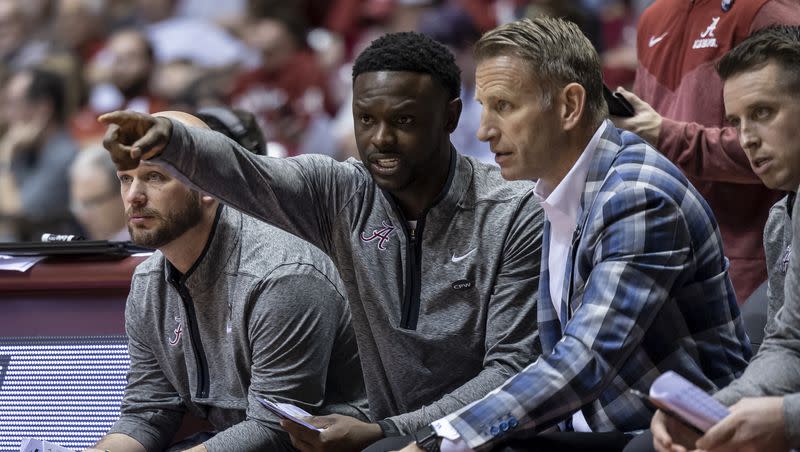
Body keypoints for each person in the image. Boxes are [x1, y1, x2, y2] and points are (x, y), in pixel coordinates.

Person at [98, 31, 544, 452]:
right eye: (365, 119)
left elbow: (511, 373)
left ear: (450, 116)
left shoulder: (513, 212)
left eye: (403, 120)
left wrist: (390, 432)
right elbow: (250, 174)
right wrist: (173, 144)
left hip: (490, 439)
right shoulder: (340, 192)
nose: (381, 139)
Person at [391, 16, 751, 452]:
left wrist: (441, 440)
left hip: (665, 437)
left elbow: (583, 362)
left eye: (503, 106)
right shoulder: (558, 187)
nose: (484, 130)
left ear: (569, 106)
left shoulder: (636, 197)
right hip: (592, 428)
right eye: (483, 106)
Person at [85, 111, 367, 452]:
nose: (134, 196)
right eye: (126, 178)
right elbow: (147, 412)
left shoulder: (282, 274)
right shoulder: (148, 282)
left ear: (207, 186)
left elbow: (275, 429)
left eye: (155, 177)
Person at [643, 24, 800, 452]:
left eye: (763, 113)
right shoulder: (783, 218)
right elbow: (789, 345)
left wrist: (789, 419)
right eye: (735, 121)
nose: (746, 138)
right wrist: (714, 413)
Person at [613, 0, 800, 302]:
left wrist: (666, 134)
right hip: (670, 253)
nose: (747, 134)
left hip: (752, 264)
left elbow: (779, 143)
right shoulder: (652, 18)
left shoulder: (766, 9)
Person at [0, 66, 79, 241]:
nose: (7, 114)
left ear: (44, 107)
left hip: (53, 262)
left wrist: (5, 154)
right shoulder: (24, 150)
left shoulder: (65, 155)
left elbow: (16, 213)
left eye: (13, 104)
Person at [69, 146, 130, 241]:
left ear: (123, 194)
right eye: (79, 205)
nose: (84, 216)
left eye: (93, 203)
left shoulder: (152, 248)